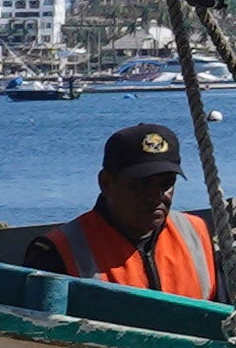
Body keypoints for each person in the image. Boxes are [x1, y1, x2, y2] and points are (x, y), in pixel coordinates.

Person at [49, 122, 220, 298]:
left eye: (167, 183)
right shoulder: (61, 250)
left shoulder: (196, 234)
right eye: (142, 185)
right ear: (106, 183)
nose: (157, 196)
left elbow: (226, 314)